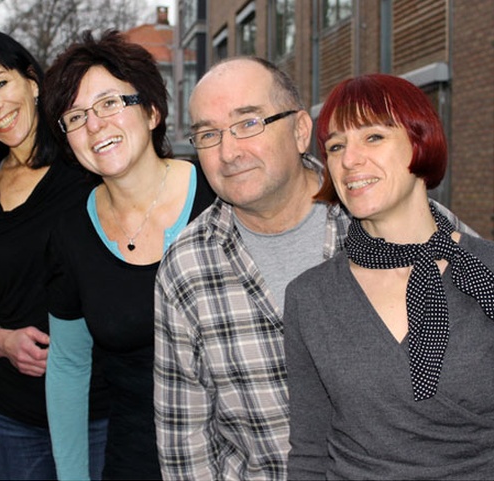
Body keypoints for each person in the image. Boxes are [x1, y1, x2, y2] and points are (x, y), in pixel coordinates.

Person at [154, 57, 476, 480]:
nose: (228, 151)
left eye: (248, 123)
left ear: (301, 130)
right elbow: (185, 442)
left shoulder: (399, 219)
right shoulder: (187, 265)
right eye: (208, 134)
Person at [283, 73, 494, 479]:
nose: (349, 160)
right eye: (336, 146)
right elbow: (309, 453)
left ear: (420, 142)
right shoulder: (309, 297)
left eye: (373, 137)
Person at [41, 30, 215, 480]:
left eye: (109, 103)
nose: (94, 125)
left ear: (153, 110)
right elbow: (68, 365)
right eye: (75, 116)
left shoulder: (221, 195)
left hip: (243, 456)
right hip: (135, 458)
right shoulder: (71, 234)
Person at [0, 31, 107, 480]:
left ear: (32, 81)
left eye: (0, 83)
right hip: (17, 418)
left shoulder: (89, 164)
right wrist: (3, 342)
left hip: (101, 409)